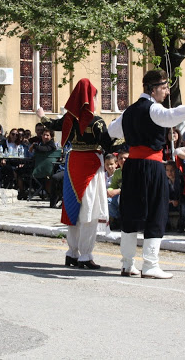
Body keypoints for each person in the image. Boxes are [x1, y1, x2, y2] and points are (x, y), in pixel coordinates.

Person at [108, 69, 185, 279]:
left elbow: (112, 131)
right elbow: (171, 116)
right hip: (151, 165)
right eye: (164, 87)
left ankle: (127, 264)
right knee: (156, 211)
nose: (167, 92)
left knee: (131, 211)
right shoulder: (154, 109)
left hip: (132, 166)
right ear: (153, 88)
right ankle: (150, 265)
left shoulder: (129, 111)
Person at [37, 78, 110, 270]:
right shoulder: (97, 122)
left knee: (73, 209)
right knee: (90, 211)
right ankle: (85, 255)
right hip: (90, 165)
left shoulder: (69, 119)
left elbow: (52, 124)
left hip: (73, 164)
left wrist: (41, 116)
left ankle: (72, 253)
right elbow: (109, 144)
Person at [107, 149, 129, 230]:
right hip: (119, 195)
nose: (122, 160)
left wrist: (118, 191)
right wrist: (109, 190)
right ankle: (117, 219)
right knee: (108, 200)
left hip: (131, 196)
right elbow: (113, 185)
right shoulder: (117, 172)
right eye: (120, 158)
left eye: (125, 158)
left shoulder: (134, 171)